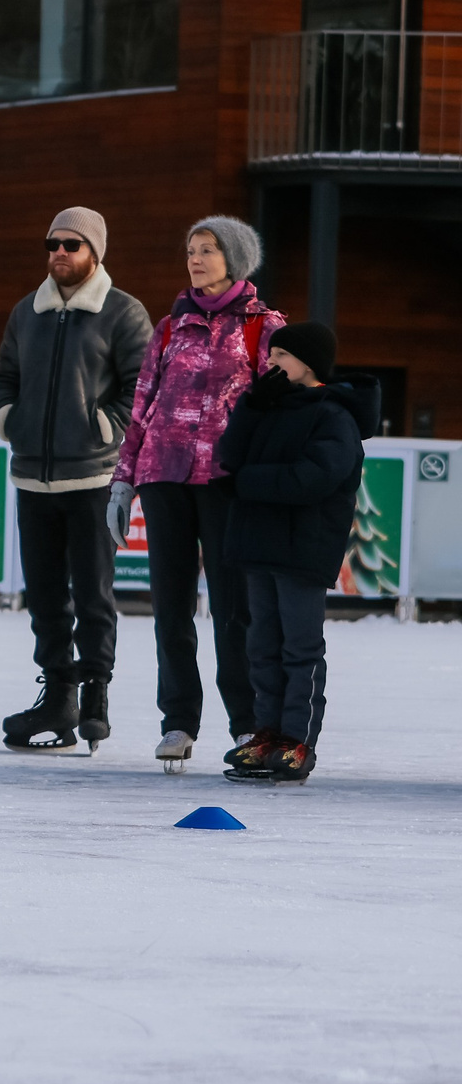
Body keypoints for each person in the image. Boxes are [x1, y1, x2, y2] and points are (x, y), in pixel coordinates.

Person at [111, 215, 282, 769]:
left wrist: (266, 481)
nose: (196, 259)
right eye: (190, 250)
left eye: (208, 249)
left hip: (226, 482)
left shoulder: (264, 327)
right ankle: (178, 720)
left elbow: (278, 411)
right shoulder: (168, 327)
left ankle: (246, 723)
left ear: (234, 258)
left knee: (234, 611)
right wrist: (122, 482)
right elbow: (141, 408)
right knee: (171, 607)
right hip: (164, 475)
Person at [0, 208, 150, 751]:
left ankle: (96, 695)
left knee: (93, 595)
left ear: (95, 252)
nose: (59, 252)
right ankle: (59, 698)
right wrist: (11, 418)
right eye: (52, 243)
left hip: (94, 479)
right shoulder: (25, 312)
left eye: (72, 244)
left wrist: (104, 428)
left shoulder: (123, 312)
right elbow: (4, 375)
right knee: (47, 598)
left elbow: (140, 388)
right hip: (33, 478)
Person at [214, 323, 369, 785]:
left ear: (309, 363)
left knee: (299, 648)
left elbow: (313, 478)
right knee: (261, 645)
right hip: (259, 543)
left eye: (281, 355)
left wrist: (248, 483)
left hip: (303, 547)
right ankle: (267, 733)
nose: (272, 364)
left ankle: (297, 741)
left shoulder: (335, 415)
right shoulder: (268, 407)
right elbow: (229, 455)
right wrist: (249, 407)